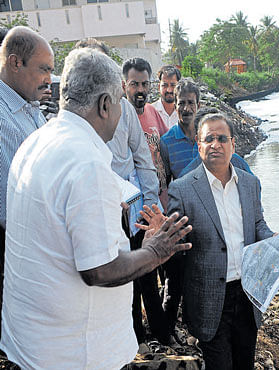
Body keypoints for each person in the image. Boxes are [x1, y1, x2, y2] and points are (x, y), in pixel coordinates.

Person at [0, 47, 192, 369]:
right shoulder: (87, 164)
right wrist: (156, 251)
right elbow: (99, 270)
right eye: (119, 102)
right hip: (73, 354)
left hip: (34, 342)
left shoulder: (38, 140)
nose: (121, 114)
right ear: (105, 105)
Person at [75, 39, 167, 347]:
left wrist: (151, 206)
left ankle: (161, 333)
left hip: (133, 206)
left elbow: (142, 158)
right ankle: (131, 339)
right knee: (115, 276)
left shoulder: (123, 107)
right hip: (100, 208)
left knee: (146, 273)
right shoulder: (75, 118)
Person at [167, 113, 275, 370]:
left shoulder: (250, 183)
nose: (215, 144)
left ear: (233, 145)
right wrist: (164, 235)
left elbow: (257, 224)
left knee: (244, 364)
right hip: (209, 299)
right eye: (209, 139)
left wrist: (274, 241)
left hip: (247, 297)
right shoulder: (182, 189)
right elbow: (175, 244)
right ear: (198, 144)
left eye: (221, 138)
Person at [0, 26, 53, 335]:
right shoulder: (4, 120)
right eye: (43, 69)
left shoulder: (31, 109)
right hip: (20, 257)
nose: (48, 78)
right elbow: (11, 211)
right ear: (15, 63)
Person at [123, 57, 168, 209]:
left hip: (163, 198)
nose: (140, 90)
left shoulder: (151, 110)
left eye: (145, 84)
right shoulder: (120, 120)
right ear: (124, 86)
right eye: (134, 84)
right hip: (140, 204)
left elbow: (167, 141)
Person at [152, 65, 181, 129]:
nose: (169, 90)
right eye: (164, 85)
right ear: (159, 87)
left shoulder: (183, 112)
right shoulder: (151, 111)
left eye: (173, 85)